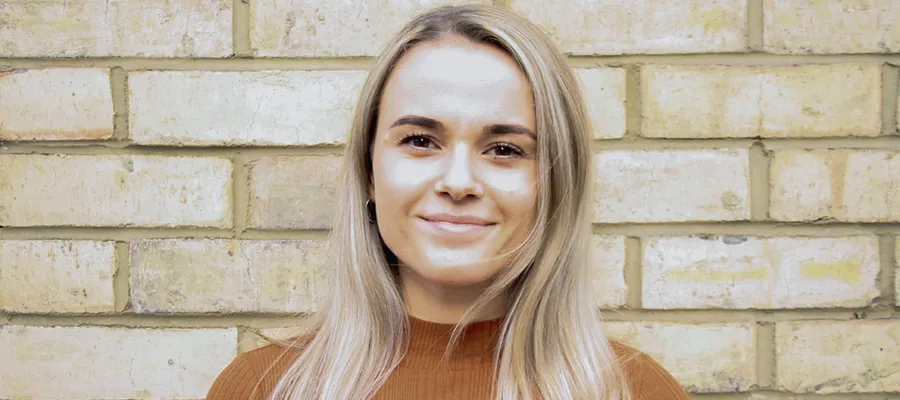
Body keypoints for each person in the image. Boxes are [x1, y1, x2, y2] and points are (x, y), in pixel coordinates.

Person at [206, 4, 688, 399]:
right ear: (368, 173)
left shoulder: (634, 391)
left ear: (555, 186)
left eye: (504, 149)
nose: (458, 182)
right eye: (419, 141)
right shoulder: (263, 389)